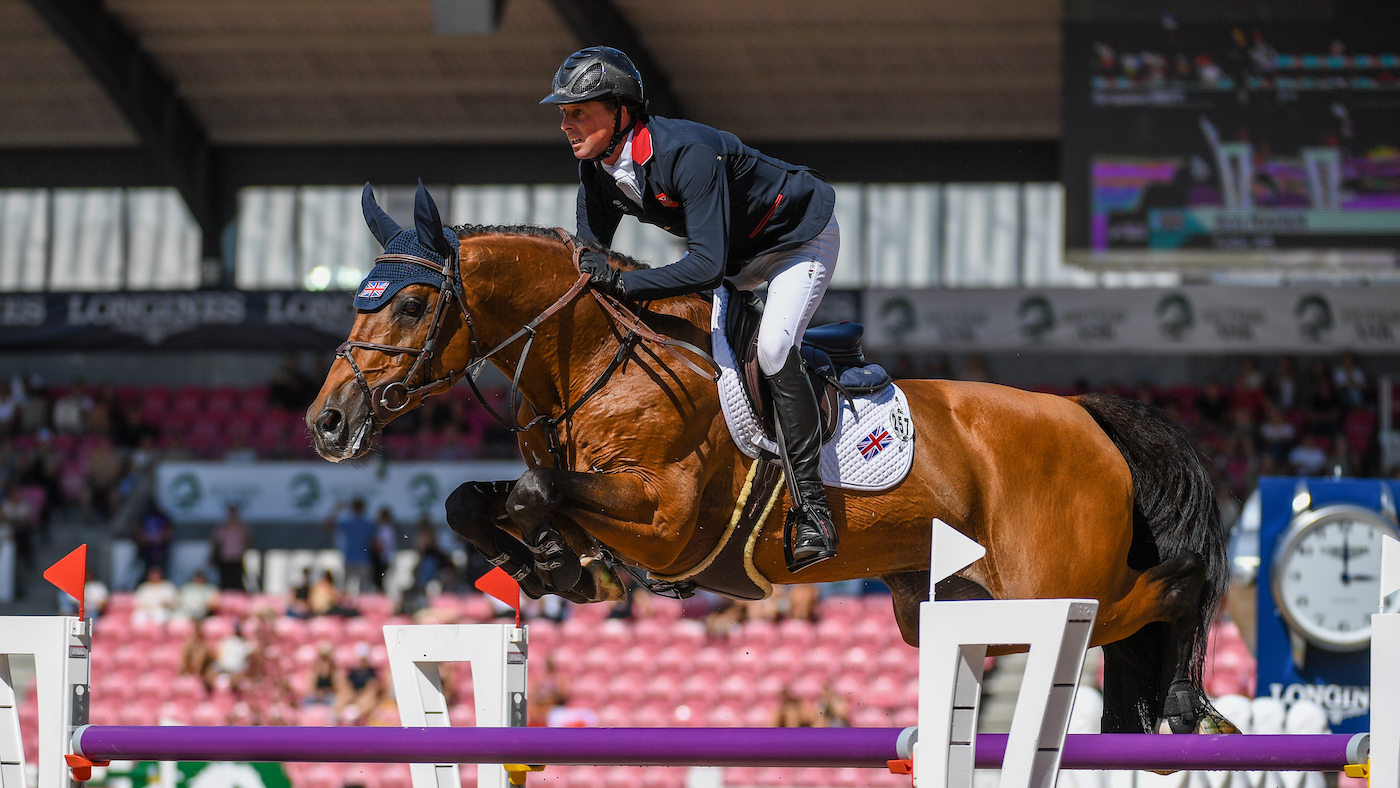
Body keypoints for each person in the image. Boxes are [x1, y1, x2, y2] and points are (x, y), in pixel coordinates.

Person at [544, 47, 840, 569]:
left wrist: (626, 284)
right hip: (736, 256)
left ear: (620, 112)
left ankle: (813, 510)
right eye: (563, 113)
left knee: (772, 349)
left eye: (578, 111)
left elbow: (703, 266)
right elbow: (589, 259)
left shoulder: (688, 153)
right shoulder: (598, 167)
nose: (566, 124)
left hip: (796, 240)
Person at [327, 499, 375, 594]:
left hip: (352, 558)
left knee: (346, 589)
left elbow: (328, 525)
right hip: (363, 559)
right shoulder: (368, 524)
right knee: (364, 590)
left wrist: (336, 510)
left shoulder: (350, 523)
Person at [209, 503, 252, 591]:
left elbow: (248, 542)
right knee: (225, 583)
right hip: (225, 559)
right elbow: (216, 543)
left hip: (237, 559)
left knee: (237, 582)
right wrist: (212, 556)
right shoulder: (223, 528)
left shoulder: (242, 528)